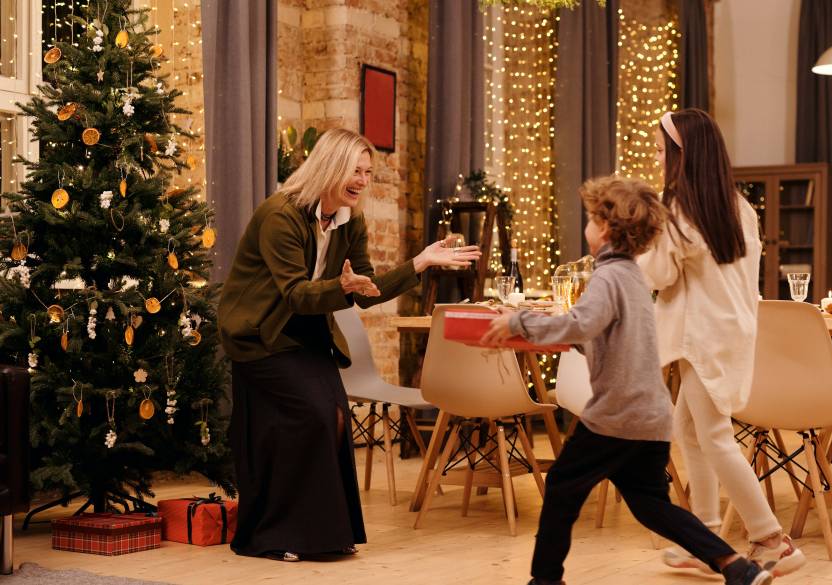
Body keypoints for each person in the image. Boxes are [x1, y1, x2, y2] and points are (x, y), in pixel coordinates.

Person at [482, 176, 773, 585]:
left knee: (562, 486)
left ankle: (545, 580)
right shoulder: (634, 277)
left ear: (604, 228)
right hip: (650, 415)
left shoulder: (608, 276)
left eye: (590, 219)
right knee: (650, 504)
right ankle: (735, 565)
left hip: (616, 415)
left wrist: (519, 322)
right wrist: (541, 333)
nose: (586, 226)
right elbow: (605, 336)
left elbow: (582, 324)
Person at [217, 128, 481, 562]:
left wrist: (421, 263)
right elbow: (295, 295)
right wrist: (341, 288)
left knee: (335, 417)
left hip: (305, 332)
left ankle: (323, 533)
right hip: (259, 333)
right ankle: (275, 535)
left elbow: (366, 290)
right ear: (330, 167)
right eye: (355, 171)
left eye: (367, 172)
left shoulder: (349, 220)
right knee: (313, 415)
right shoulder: (281, 215)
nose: (362, 180)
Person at [638, 109, 805, 577]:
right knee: (691, 430)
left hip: (701, 336)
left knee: (712, 436)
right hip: (728, 331)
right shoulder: (736, 205)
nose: (656, 159)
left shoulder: (680, 210)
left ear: (682, 154)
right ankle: (706, 537)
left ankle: (771, 539)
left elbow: (659, 273)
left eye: (660, 150)